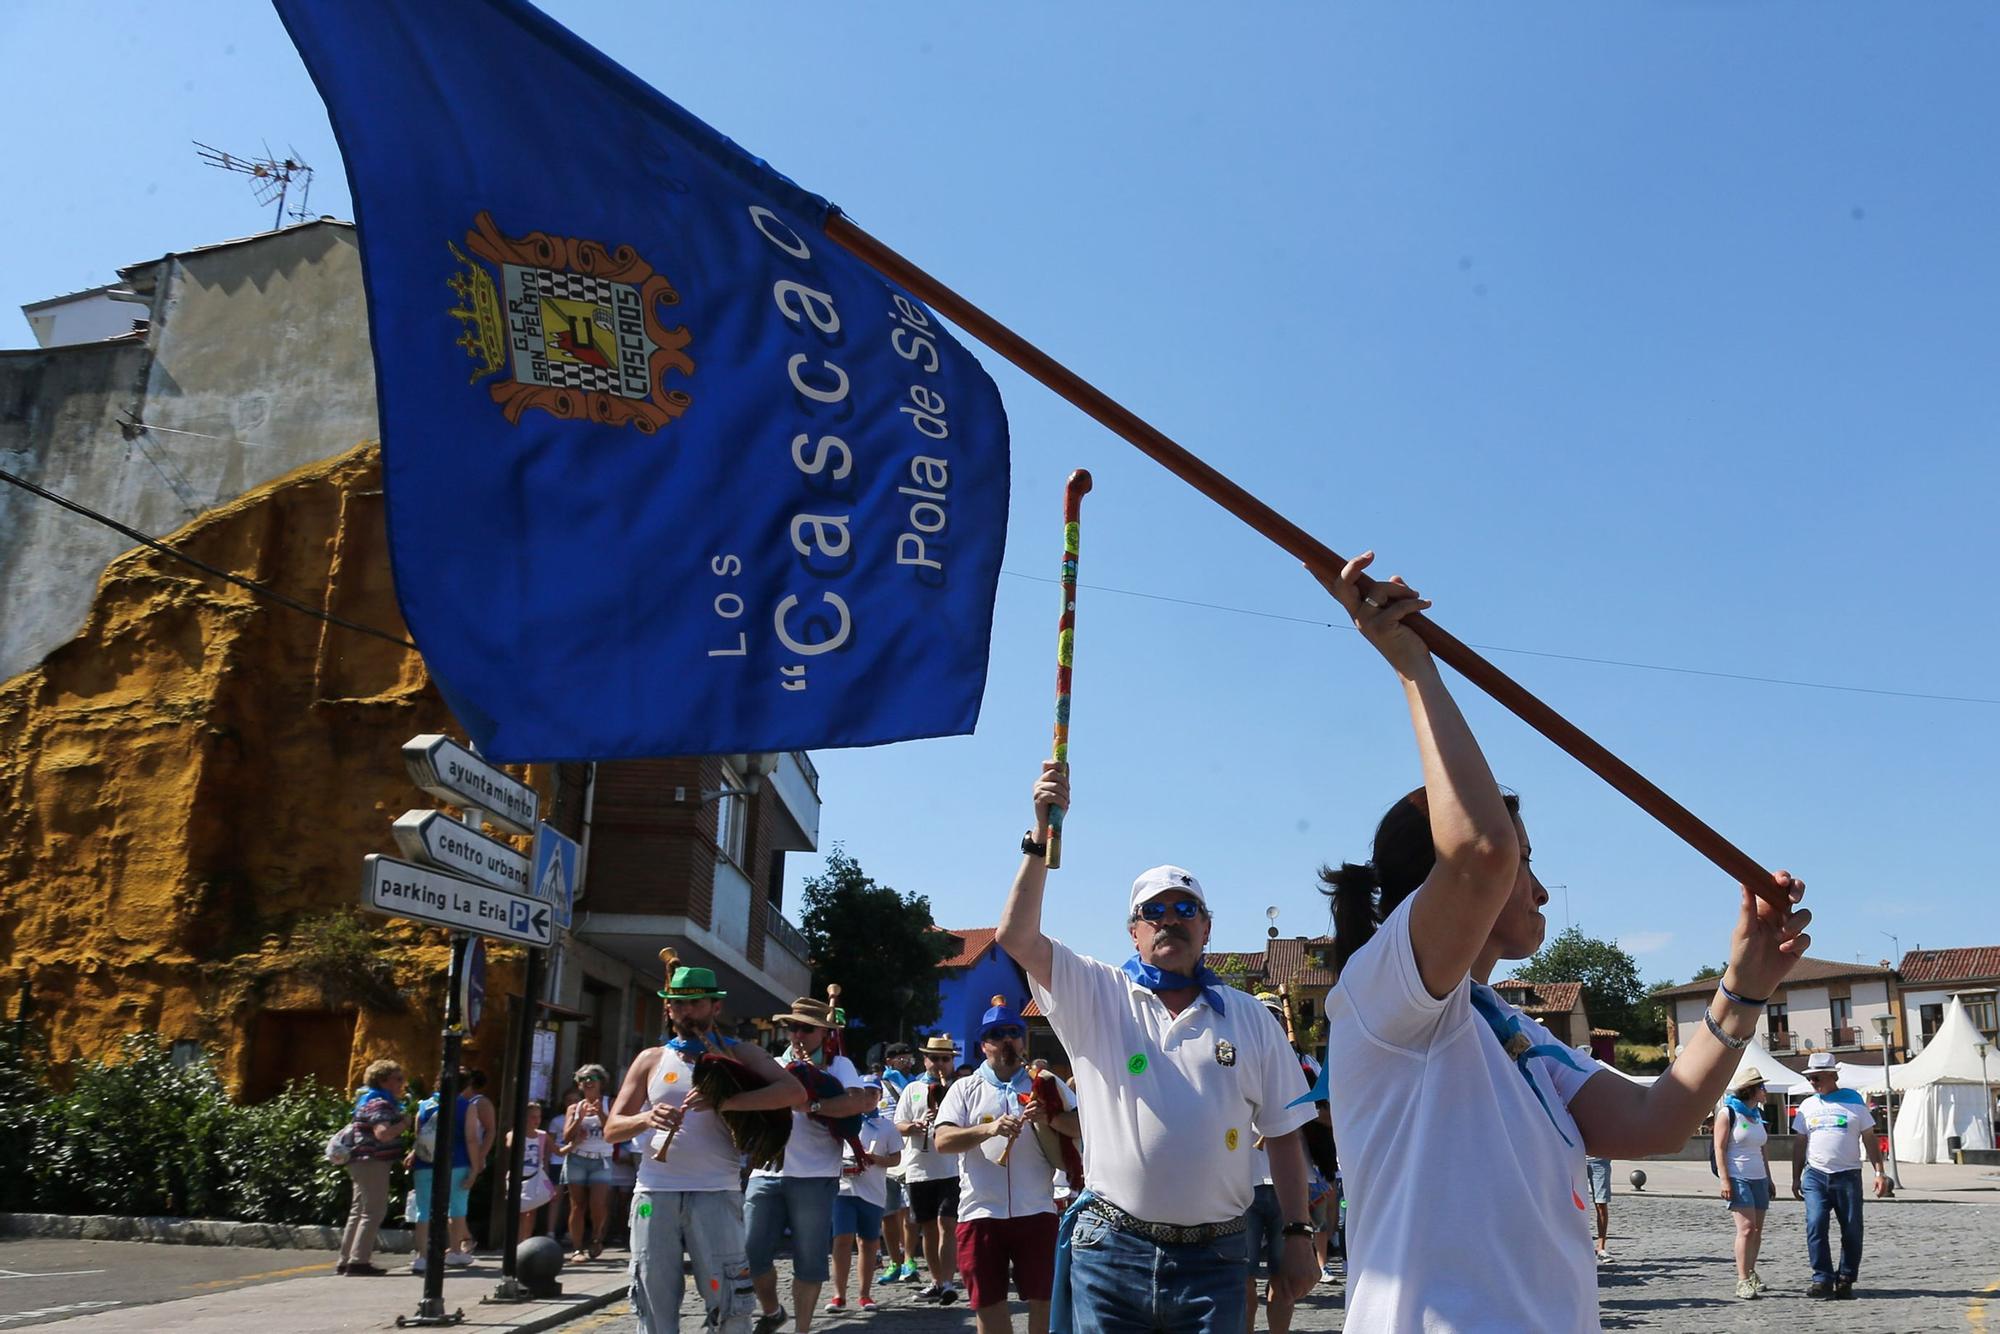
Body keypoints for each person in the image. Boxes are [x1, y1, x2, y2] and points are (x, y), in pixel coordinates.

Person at [1306, 553, 1812, 1331]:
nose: (1537, 887)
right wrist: (1413, 665)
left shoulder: (1513, 1033)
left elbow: (1657, 1122)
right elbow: (1479, 854)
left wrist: (1741, 988)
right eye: (1527, 861)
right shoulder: (1382, 996)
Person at [999, 810, 1317, 1334]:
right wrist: (1041, 836)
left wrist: (1299, 1234)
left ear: (1207, 927)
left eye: (1185, 908)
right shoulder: (1097, 993)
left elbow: (1283, 1134)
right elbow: (1015, 936)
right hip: (1111, 1253)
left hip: (1216, 1260)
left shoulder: (1251, 1017)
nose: (1170, 918)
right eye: (1154, 911)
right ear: (1134, 932)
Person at [604, 957, 803, 1334]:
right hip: (654, 1194)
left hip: (715, 1192)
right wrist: (646, 1118)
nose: (687, 1011)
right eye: (679, 1003)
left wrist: (725, 1101)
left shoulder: (740, 1053)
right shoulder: (651, 1059)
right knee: (654, 1296)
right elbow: (613, 1128)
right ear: (669, 1008)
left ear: (716, 1006)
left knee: (725, 1295)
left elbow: (792, 1092)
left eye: (696, 1003)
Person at [931, 997, 1080, 1334]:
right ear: (984, 1045)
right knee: (988, 1302)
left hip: (1037, 1210)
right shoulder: (964, 1088)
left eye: (1014, 1032)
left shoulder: (1045, 1083)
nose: (1007, 1040)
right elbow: (942, 1142)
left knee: (1044, 1299)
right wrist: (988, 1129)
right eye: (997, 1034)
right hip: (980, 1213)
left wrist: (1051, 1117)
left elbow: (1081, 1129)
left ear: (1023, 1040)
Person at [744, 992, 877, 1334]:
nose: (798, 1035)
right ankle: (772, 1311)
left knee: (809, 1259)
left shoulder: (840, 1066)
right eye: (793, 1028)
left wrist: (813, 1103)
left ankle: (802, 1330)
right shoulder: (772, 1063)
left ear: (824, 1034)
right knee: (751, 1252)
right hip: (767, 1170)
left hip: (815, 1175)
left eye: (806, 1029)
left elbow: (855, 1105)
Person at [1241, 997, 1316, 1333]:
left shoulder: (1303, 1065)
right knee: (1241, 1279)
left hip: (1286, 1189)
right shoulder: (1234, 1055)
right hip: (1244, 1188)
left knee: (1283, 1280)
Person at [1790, 1051, 1888, 1299]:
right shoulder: (1807, 1105)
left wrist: (1879, 1172)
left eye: (1816, 1078)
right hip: (1815, 1175)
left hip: (1847, 1175)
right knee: (1815, 1224)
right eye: (1810, 1078)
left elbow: (1869, 1139)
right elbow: (1800, 1143)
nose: (1812, 1083)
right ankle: (1822, 1278)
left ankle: (1845, 1277)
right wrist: (1795, 1176)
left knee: (1852, 1228)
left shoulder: (1854, 1101)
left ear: (1832, 1076)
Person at [894, 1033, 965, 1306]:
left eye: (945, 1059)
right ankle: (937, 1281)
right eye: (934, 1058)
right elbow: (899, 1123)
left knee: (947, 1223)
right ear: (925, 1060)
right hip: (920, 1168)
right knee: (927, 1227)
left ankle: (948, 1282)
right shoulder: (912, 1089)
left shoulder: (959, 1088)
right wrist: (915, 1126)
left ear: (951, 1062)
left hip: (952, 1168)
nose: (939, 1063)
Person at [828, 1078, 906, 1313]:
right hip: (843, 1188)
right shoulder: (841, 1121)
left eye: (873, 1094)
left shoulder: (887, 1126)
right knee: (842, 1239)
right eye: (864, 1093)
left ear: (879, 1097)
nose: (869, 1098)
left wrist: (875, 1160)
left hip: (872, 1191)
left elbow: (896, 1158)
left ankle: (864, 1294)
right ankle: (838, 1295)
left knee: (869, 1241)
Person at [337, 1058, 407, 1276]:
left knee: (358, 1210)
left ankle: (346, 1259)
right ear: (384, 1080)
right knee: (373, 1211)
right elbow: (383, 1134)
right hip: (373, 1161)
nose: (401, 1083)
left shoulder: (365, 1100)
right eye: (398, 1079)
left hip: (359, 1161)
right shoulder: (380, 1103)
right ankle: (359, 1262)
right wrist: (405, 1122)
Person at [407, 1083, 481, 1272]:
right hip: (456, 1162)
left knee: (423, 1210)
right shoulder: (466, 1106)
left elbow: (418, 1135)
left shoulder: (424, 1105)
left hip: (425, 1163)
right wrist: (475, 1166)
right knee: (457, 1207)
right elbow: (471, 1138)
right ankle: (455, 1252)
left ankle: (421, 1257)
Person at [1715, 1070, 1772, 1299]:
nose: (1765, 1091)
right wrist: (1724, 1179)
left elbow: (1763, 1148)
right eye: (1762, 1087)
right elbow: (1719, 1147)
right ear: (1751, 1090)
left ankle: (1750, 1270)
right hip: (1738, 1176)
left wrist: (1769, 1177)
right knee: (1746, 1228)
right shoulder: (1727, 1113)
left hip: (1759, 1176)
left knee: (1757, 1230)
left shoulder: (1757, 1114)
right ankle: (1742, 1279)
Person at [561, 1063, 618, 1261]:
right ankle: (577, 1249)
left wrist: (600, 1113)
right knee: (577, 1205)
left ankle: (596, 1237)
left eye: (591, 1079)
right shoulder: (574, 1107)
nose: (587, 1083)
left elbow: (614, 1129)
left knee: (597, 1203)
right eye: (582, 1080)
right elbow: (567, 1136)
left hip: (601, 1159)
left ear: (601, 1083)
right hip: (577, 1158)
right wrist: (579, 1118)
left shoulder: (610, 1103)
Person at [874, 1043, 919, 1287]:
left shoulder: (916, 1084)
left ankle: (910, 1258)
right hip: (887, 1156)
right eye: (901, 1058)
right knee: (889, 1211)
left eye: (908, 1057)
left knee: (910, 1209)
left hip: (911, 1154)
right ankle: (894, 1260)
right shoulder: (879, 1085)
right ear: (889, 1061)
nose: (906, 1062)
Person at [508, 1101, 558, 1243]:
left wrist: (575, 1143)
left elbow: (558, 1151)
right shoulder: (514, 1134)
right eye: (532, 1117)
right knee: (519, 1212)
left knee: (531, 1212)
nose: (536, 1120)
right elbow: (509, 1144)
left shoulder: (542, 1135)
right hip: (519, 1177)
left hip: (535, 1177)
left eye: (538, 1117)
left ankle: (525, 1242)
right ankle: (515, 1242)